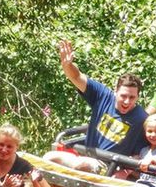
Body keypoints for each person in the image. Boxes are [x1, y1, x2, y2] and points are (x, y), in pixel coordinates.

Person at [44, 39, 149, 172]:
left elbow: (143, 152)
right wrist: (67, 66)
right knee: (49, 157)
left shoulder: (141, 118)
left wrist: (125, 172)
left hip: (109, 167)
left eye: (132, 97)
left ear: (138, 97)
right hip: (84, 156)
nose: (127, 101)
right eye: (123, 96)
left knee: (83, 165)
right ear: (115, 91)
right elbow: (77, 77)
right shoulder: (103, 96)